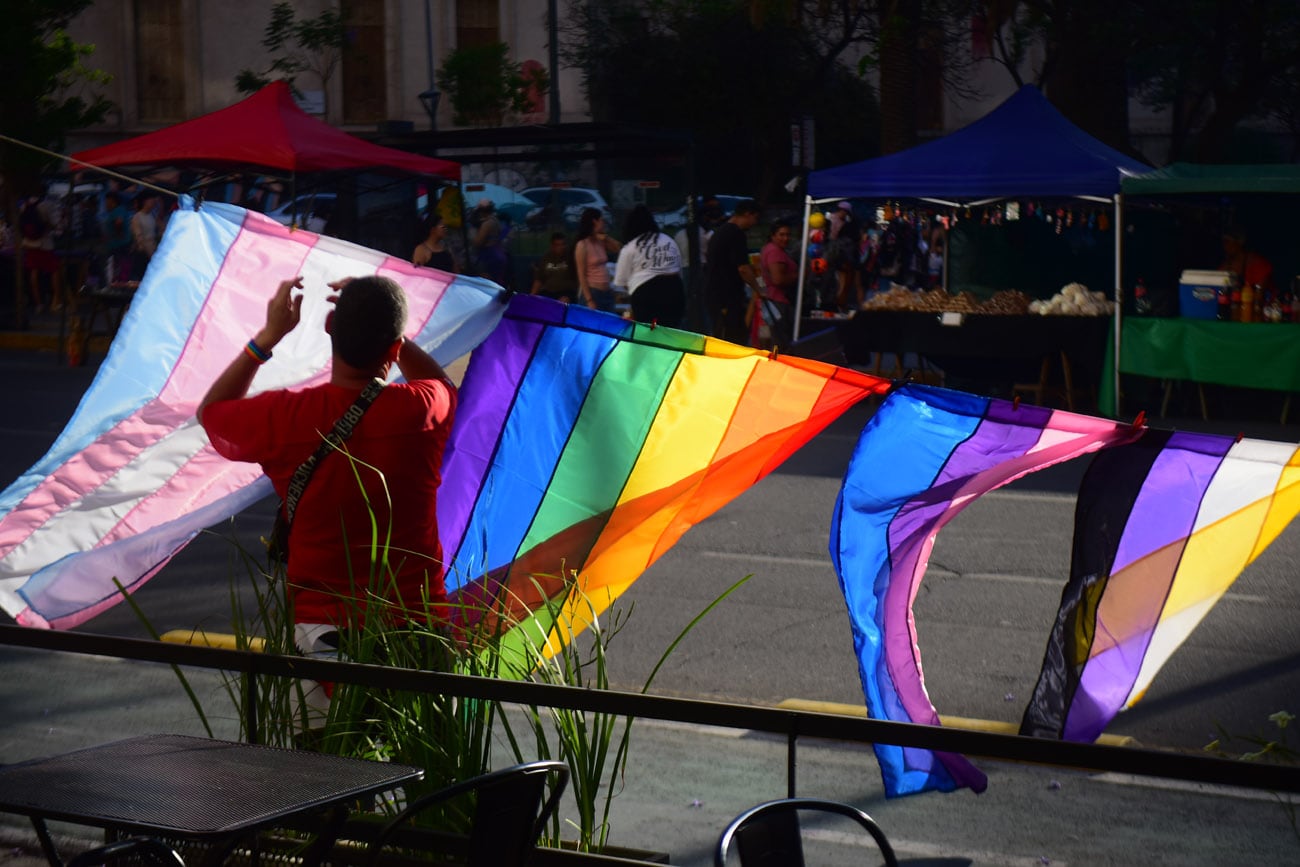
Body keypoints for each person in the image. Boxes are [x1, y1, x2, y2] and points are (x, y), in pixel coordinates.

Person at [197, 275, 457, 710]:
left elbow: (213, 413)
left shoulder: (286, 417)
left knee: (323, 775)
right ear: (393, 349)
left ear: (329, 327)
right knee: (426, 776)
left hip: (323, 644)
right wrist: (394, 335)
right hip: (420, 634)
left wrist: (267, 338)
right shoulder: (421, 409)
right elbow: (443, 386)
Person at [613, 205, 685, 327]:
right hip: (674, 290)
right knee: (672, 332)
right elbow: (679, 269)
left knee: (648, 333)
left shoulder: (631, 247)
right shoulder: (668, 240)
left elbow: (621, 282)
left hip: (645, 294)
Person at [704, 199, 762, 343]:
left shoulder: (720, 232)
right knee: (732, 337)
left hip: (715, 294)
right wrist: (758, 288)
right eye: (755, 218)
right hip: (728, 296)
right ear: (748, 214)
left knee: (721, 334)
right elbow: (743, 268)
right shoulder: (736, 234)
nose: (754, 223)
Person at [572, 206, 622, 313]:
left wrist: (606, 238)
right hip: (593, 291)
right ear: (595, 221)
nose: (604, 223)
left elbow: (619, 249)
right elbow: (581, 274)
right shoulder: (582, 245)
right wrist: (589, 299)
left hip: (607, 291)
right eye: (602, 220)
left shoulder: (601, 241)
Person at [758, 219, 799, 348]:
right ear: (773, 235)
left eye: (788, 235)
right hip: (778, 302)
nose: (786, 238)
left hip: (772, 300)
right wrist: (800, 276)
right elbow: (778, 279)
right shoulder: (775, 252)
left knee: (774, 339)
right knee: (780, 341)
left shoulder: (770, 249)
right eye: (781, 235)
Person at [19, 195, 62, 314]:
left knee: (34, 274)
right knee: (54, 271)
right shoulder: (47, 205)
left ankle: (38, 304)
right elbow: (54, 225)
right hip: (45, 244)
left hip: (30, 244)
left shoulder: (24, 206)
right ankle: (55, 301)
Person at [1219, 226, 1274, 292]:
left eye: (1228, 241)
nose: (1225, 246)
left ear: (1239, 242)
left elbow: (1260, 292)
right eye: (1224, 242)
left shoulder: (1257, 264)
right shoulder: (1224, 267)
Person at [530, 232, 578, 302]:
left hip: (566, 292)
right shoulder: (546, 257)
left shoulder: (571, 257)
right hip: (548, 291)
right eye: (558, 245)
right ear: (552, 246)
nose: (561, 247)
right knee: (540, 301)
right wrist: (532, 295)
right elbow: (539, 279)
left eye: (563, 244)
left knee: (563, 301)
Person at [470, 198, 508, 285]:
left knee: (489, 282)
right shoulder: (495, 220)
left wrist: (473, 233)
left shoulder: (487, 224)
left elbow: (478, 243)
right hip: (498, 252)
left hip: (489, 256)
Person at [102, 192, 133, 283]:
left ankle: (117, 286)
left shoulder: (118, 210)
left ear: (112, 201)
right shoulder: (117, 211)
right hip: (117, 246)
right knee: (118, 268)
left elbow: (119, 222)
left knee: (117, 269)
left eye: (107, 202)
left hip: (119, 246)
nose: (106, 204)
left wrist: (117, 234)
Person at [130, 190, 160, 281]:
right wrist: (148, 252)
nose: (153, 203)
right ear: (145, 201)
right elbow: (139, 237)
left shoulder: (152, 215)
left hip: (153, 248)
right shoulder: (137, 217)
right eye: (151, 200)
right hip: (143, 252)